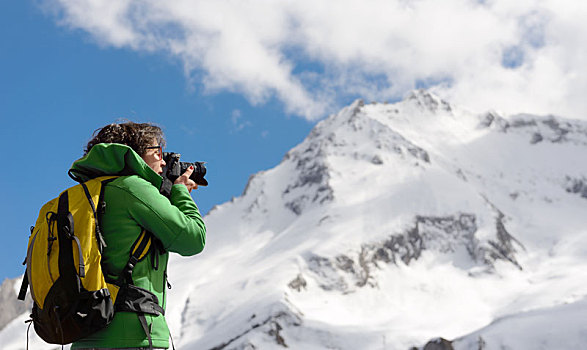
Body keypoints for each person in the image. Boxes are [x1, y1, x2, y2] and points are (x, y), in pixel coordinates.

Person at [69, 121, 206, 350]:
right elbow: (193, 239)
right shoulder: (133, 188)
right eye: (157, 152)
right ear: (136, 154)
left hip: (85, 336)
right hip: (134, 336)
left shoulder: (84, 195)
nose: (163, 161)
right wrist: (180, 190)